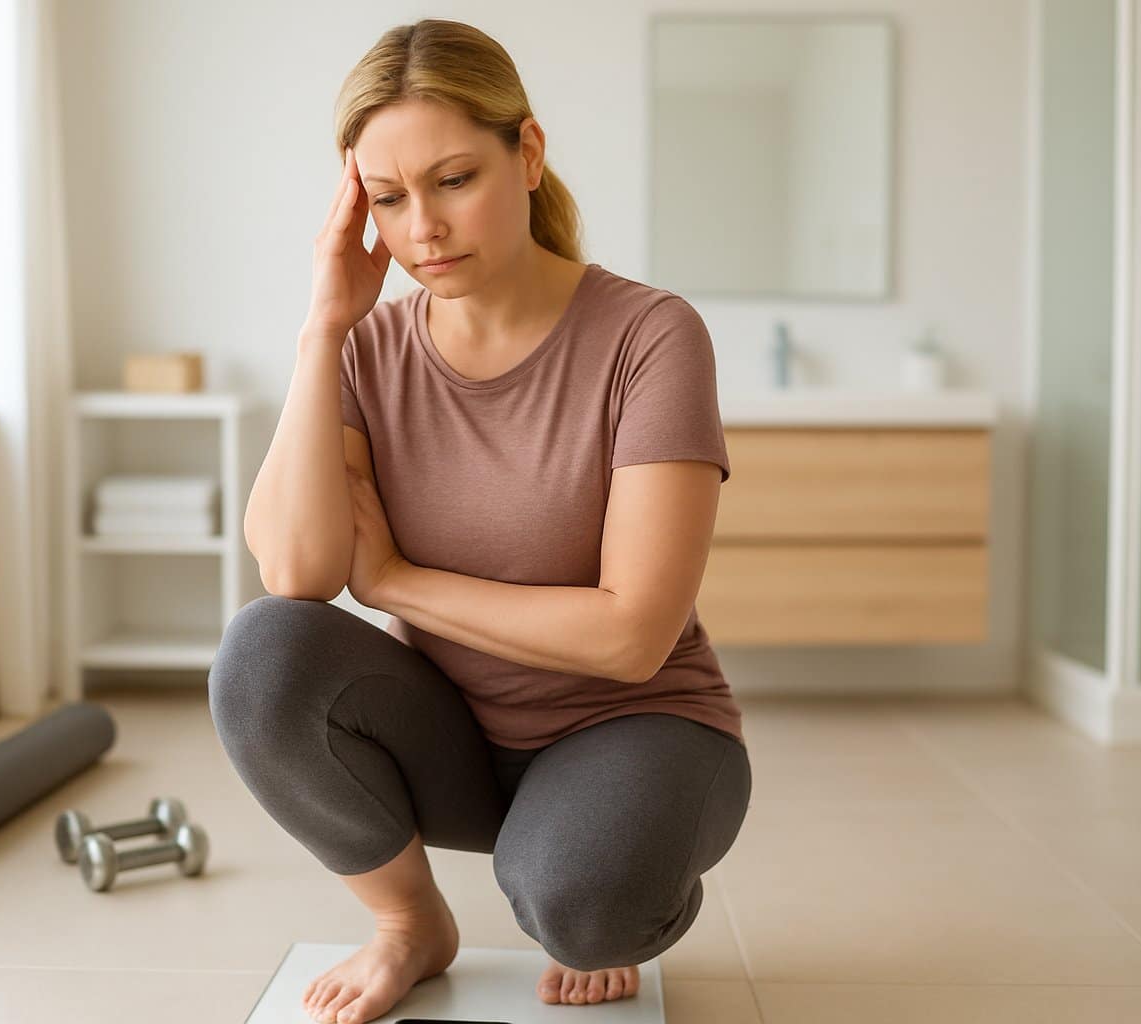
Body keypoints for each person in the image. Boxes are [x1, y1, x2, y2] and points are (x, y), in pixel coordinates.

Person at [208, 18, 751, 1024]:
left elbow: (632, 636)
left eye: (454, 178)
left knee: (585, 906)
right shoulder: (367, 349)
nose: (422, 228)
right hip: (456, 737)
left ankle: (603, 867)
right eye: (386, 197)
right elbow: (295, 569)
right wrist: (322, 330)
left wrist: (399, 583)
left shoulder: (649, 334)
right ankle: (411, 925)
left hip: (637, 727)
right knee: (261, 650)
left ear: (528, 154)